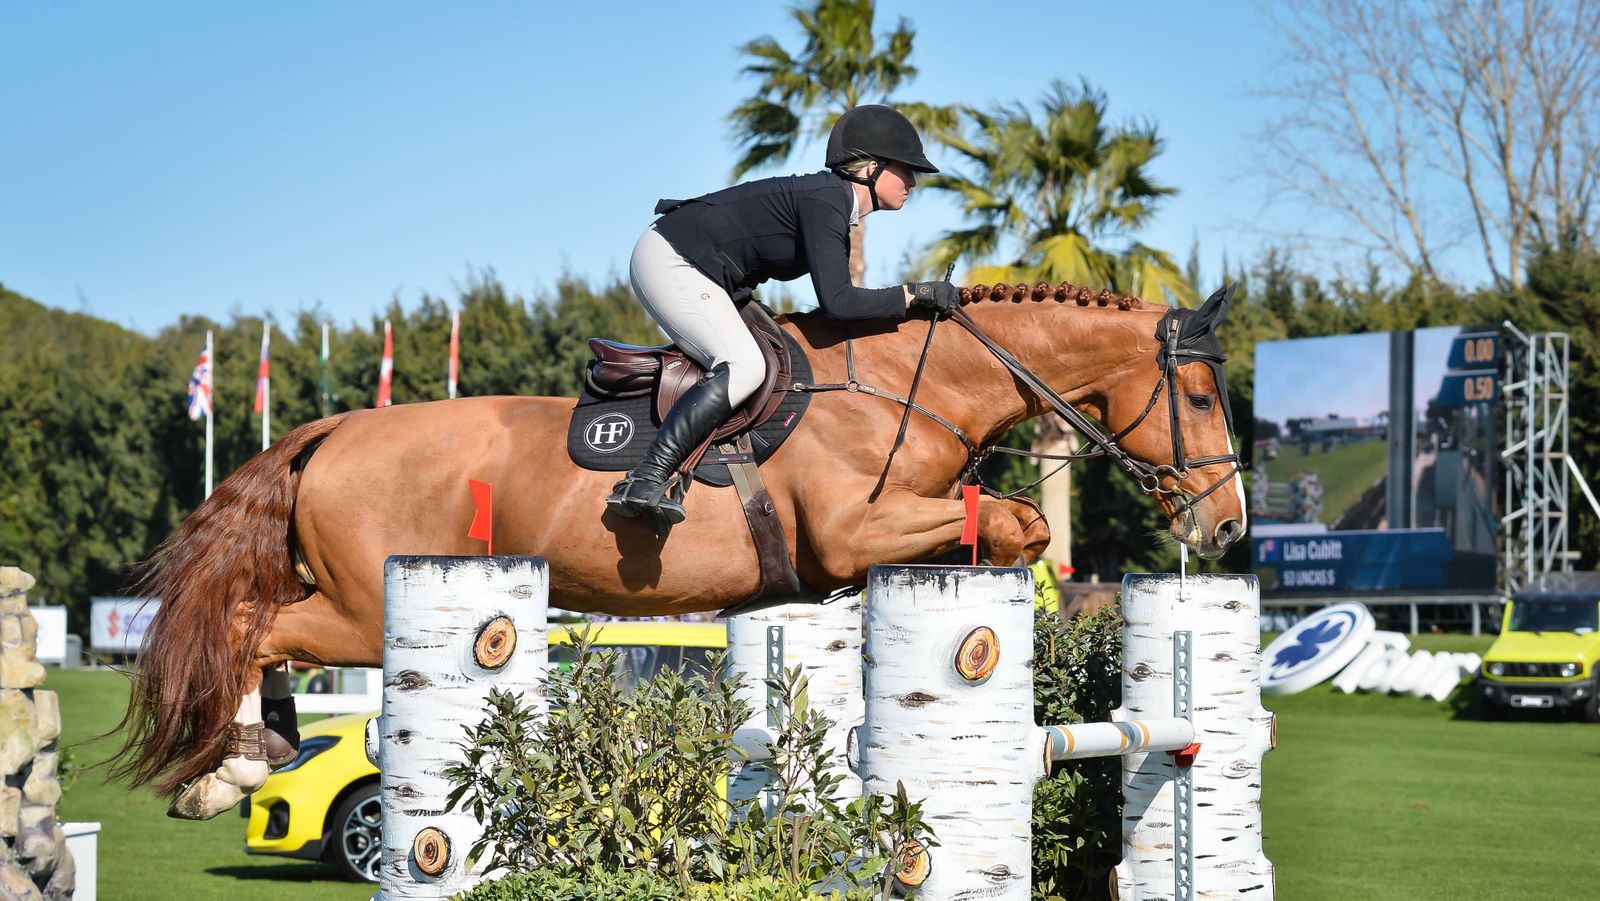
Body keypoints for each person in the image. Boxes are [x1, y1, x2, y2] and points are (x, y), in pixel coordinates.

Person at [605, 104, 962, 536]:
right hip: (674, 260)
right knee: (744, 365)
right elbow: (841, 303)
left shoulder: (834, 205)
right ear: (870, 167)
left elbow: (840, 305)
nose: (913, 182)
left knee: (779, 354)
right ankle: (645, 480)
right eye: (906, 170)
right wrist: (916, 294)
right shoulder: (828, 200)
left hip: (710, 272)